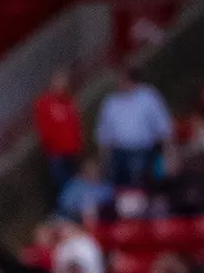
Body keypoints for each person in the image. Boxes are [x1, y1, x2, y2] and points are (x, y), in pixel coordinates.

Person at [94, 66, 171, 188]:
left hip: (143, 150)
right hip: (119, 153)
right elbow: (103, 134)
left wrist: (168, 154)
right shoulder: (110, 102)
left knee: (140, 186)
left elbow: (163, 126)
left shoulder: (147, 96)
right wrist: (103, 160)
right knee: (120, 189)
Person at [34, 70, 84, 198]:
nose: (62, 84)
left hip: (72, 151)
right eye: (59, 80)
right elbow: (44, 128)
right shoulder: (45, 103)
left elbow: (75, 124)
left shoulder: (68, 101)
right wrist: (51, 146)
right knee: (62, 185)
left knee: (75, 184)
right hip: (57, 153)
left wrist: (78, 143)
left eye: (64, 81)